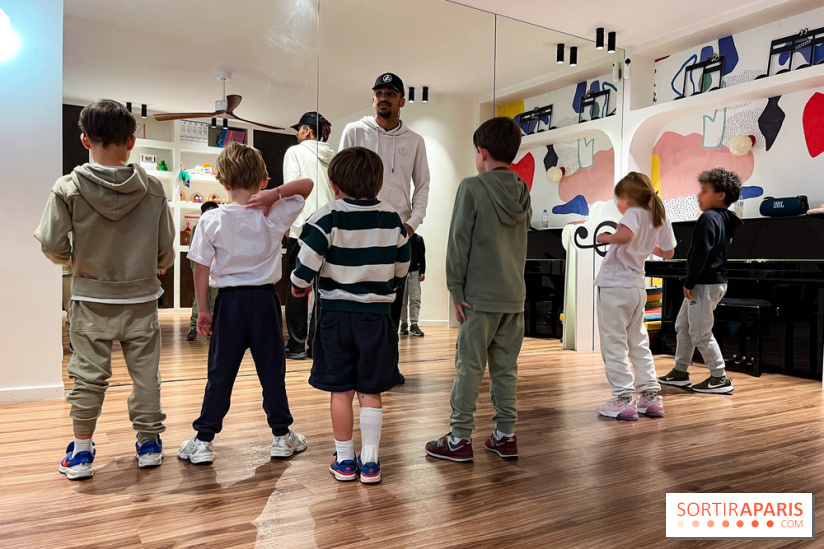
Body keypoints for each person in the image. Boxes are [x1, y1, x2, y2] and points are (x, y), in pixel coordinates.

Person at [34, 99, 175, 480]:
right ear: (131, 141)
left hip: (90, 298)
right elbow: (166, 251)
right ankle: (149, 444)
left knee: (88, 375)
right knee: (146, 376)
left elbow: (50, 243)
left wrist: (73, 261)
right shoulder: (154, 189)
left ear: (84, 140)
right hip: (142, 299)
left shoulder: (68, 187)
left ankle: (81, 452)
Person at [178, 143, 313, 465]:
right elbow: (306, 186)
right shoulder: (273, 213)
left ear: (222, 181)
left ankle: (203, 440)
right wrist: (275, 194)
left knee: (220, 373)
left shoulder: (210, 221)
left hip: (229, 303)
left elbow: (200, 268)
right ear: (264, 180)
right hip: (265, 302)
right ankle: (282, 436)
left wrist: (204, 310)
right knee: (271, 373)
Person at [290, 147, 410, 484]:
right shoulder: (392, 218)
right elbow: (402, 265)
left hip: (336, 317)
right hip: (377, 316)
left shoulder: (326, 216)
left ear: (333, 184)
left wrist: (299, 285)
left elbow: (307, 262)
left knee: (341, 389)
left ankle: (345, 460)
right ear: (378, 182)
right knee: (371, 389)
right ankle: (370, 463)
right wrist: (388, 283)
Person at [425, 117, 530, 463]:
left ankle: (458, 439)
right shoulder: (522, 189)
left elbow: (459, 243)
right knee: (506, 370)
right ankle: (505, 435)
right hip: (514, 299)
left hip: (478, 300)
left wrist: (455, 289)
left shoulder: (471, 187)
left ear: (481, 153)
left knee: (469, 367)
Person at [339, 72, 430, 340]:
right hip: (358, 230)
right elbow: (341, 178)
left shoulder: (415, 141)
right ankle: (357, 363)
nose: (383, 99)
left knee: (391, 302)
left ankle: (387, 364)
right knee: (356, 299)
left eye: (390, 94)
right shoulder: (354, 131)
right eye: (379, 94)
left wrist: (412, 225)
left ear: (402, 101)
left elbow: (423, 185)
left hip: (396, 232)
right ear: (373, 98)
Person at [593, 172, 677, 421]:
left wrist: (605, 237)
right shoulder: (660, 216)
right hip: (637, 289)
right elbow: (669, 252)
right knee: (638, 342)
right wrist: (647, 245)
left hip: (615, 287)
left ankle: (623, 399)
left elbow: (625, 236)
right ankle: (650, 397)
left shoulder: (634, 212)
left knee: (614, 344)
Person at [658, 168, 743, 394]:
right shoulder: (725, 219)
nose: (699, 196)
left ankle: (719, 377)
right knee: (683, 326)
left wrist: (689, 281)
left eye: (704, 191)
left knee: (700, 332)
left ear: (721, 195)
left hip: (704, 284)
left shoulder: (709, 217)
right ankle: (680, 371)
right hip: (711, 282)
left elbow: (700, 253)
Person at [283, 111, 336, 360]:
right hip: (329, 229)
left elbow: (292, 191)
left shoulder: (295, 152)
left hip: (302, 228)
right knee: (324, 290)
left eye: (299, 130)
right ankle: (317, 345)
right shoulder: (333, 157)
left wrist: (286, 222)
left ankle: (295, 345)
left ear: (306, 131)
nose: (297, 135)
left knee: (297, 286)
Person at [186, 201, 219, 341]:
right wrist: (196, 268)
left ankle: (212, 327)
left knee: (215, 297)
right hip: (201, 266)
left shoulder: (219, 226)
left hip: (216, 268)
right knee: (199, 297)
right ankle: (193, 326)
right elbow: (195, 251)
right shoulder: (197, 227)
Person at [400, 233, 426, 337]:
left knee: (415, 299)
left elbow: (422, 256)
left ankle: (414, 324)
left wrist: (422, 271)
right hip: (401, 273)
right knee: (402, 300)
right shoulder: (399, 237)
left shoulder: (418, 239)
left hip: (415, 273)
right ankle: (403, 324)